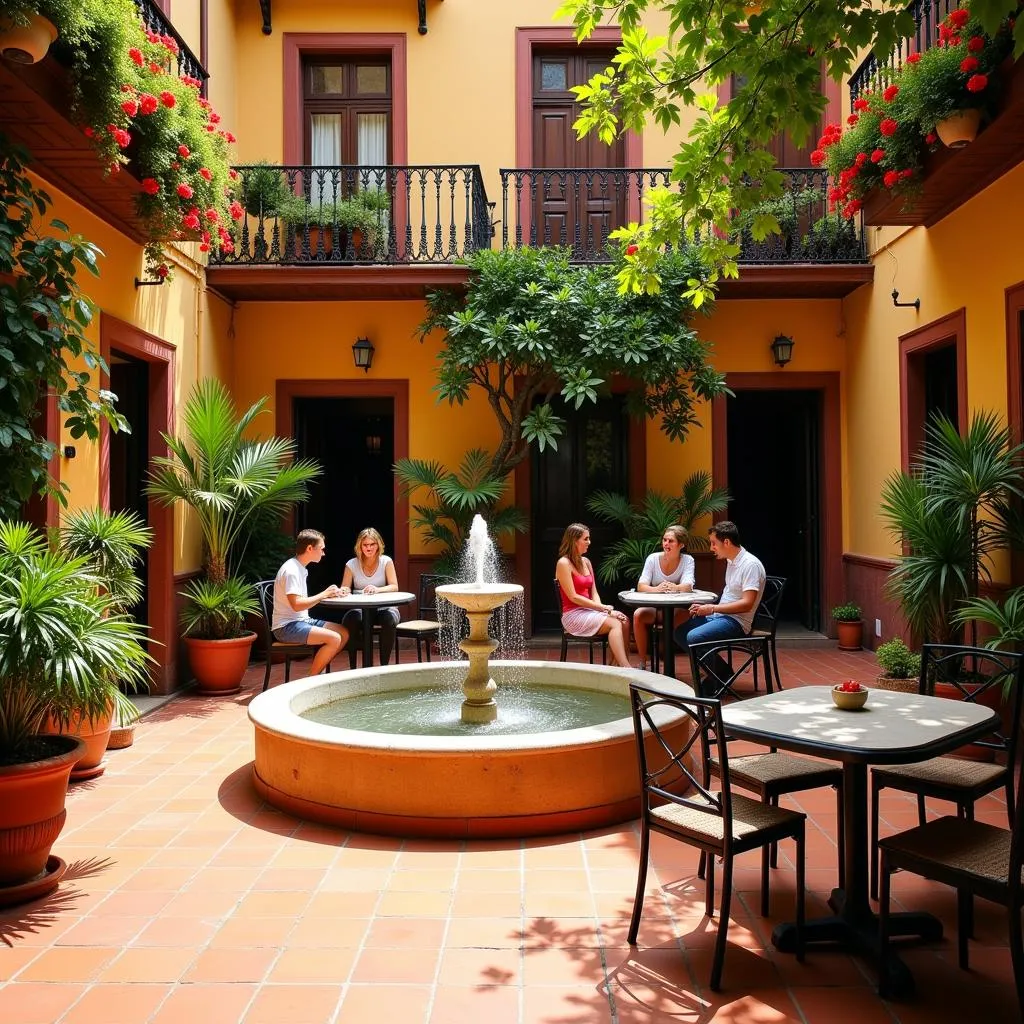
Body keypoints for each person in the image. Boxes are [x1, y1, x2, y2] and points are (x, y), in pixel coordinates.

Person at [673, 520, 766, 671]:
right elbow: (730, 596)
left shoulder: (750, 565)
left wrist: (713, 608)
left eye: (713, 543)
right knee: (680, 633)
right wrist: (708, 608)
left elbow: (747, 603)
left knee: (694, 637)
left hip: (737, 622)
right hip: (721, 616)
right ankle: (722, 674)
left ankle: (719, 678)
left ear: (727, 542)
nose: (711, 548)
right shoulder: (731, 561)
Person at [555, 522, 633, 669]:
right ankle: (626, 668)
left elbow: (594, 592)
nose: (589, 542)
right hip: (573, 615)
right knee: (615, 623)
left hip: (590, 611)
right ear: (574, 541)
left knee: (625, 621)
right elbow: (573, 597)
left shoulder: (586, 562)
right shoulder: (563, 563)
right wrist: (606, 609)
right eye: (586, 539)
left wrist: (601, 610)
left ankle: (615, 667)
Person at [272, 529, 348, 677]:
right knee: (334, 638)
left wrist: (331, 594)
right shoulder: (292, 570)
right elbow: (297, 604)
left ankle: (319, 668)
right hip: (286, 627)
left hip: (302, 621)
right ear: (309, 548)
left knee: (343, 633)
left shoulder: (300, 568)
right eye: (321, 549)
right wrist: (323, 594)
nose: (323, 553)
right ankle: (311, 680)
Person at [633, 524, 695, 670]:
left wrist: (675, 587)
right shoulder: (653, 559)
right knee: (638, 615)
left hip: (675, 610)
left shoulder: (688, 560)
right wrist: (657, 589)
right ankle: (643, 662)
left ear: (681, 544)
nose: (666, 544)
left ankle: (665, 654)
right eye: (664, 540)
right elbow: (641, 586)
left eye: (671, 541)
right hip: (654, 609)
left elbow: (688, 585)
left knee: (687, 613)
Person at [339, 527, 401, 665]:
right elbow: (345, 587)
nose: (369, 548)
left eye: (372, 544)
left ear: (378, 545)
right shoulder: (351, 564)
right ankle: (353, 665)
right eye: (365, 544)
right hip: (360, 607)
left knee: (389, 619)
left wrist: (377, 589)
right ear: (359, 546)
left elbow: (394, 586)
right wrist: (343, 591)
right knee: (350, 618)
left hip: (385, 607)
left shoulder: (386, 561)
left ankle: (384, 666)